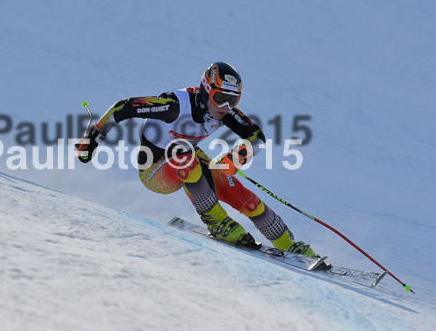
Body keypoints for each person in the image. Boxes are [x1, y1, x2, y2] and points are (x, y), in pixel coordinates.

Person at [75, 61, 316, 256]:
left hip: (188, 158)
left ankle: (286, 242)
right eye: (220, 98)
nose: (226, 106)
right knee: (187, 159)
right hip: (155, 170)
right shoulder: (175, 106)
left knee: (237, 191)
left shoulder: (224, 112)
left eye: (233, 100)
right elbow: (125, 107)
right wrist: (95, 135)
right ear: (206, 90)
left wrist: (237, 157)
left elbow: (257, 137)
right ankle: (217, 222)